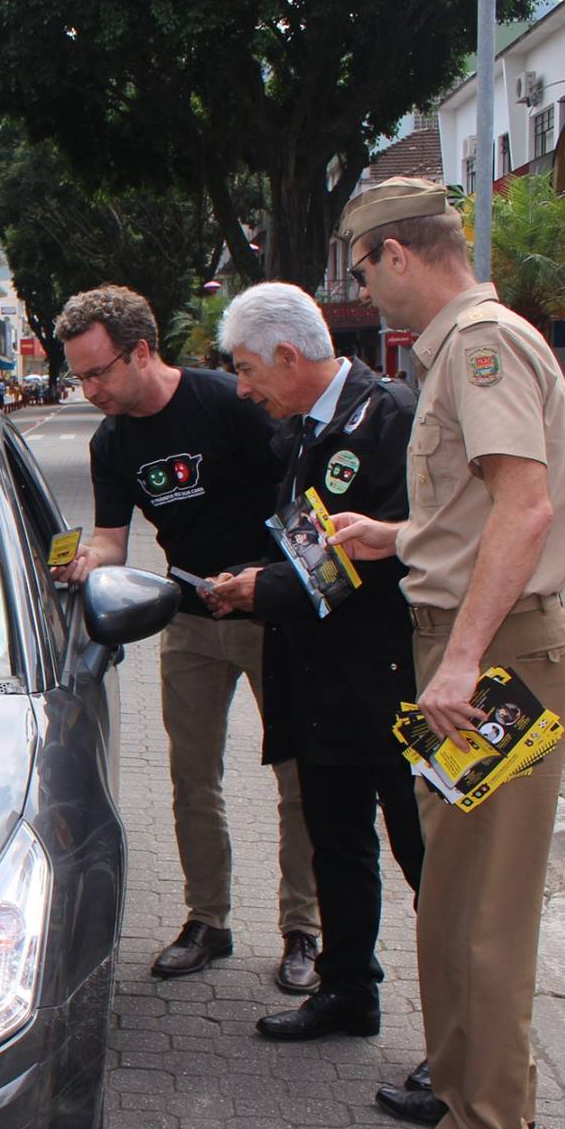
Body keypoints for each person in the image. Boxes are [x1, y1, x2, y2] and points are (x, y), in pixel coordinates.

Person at [327, 176, 565, 1129]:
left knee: (480, 913)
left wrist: (458, 657)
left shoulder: (477, 346)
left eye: (361, 269)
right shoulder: (467, 349)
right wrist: (399, 537)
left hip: (489, 663)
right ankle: (469, 1093)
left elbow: (523, 510)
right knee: (454, 905)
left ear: (395, 253)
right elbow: (482, 509)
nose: (364, 289)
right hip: (479, 654)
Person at [50, 285, 319, 991]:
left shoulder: (228, 403)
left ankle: (304, 929)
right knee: (192, 777)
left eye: (99, 371)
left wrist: (267, 579)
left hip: (271, 614)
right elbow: (112, 539)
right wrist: (88, 565)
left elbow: (298, 500)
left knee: (298, 776)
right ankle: (208, 919)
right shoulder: (111, 441)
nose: (90, 388)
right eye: (79, 375)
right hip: (191, 620)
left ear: (141, 351)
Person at [205, 282, 425, 1044]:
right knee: (336, 842)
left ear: (288, 355)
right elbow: (305, 538)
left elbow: (365, 560)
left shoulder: (389, 418)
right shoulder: (303, 427)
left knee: (429, 861)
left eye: (246, 368)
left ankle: (463, 1043)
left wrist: (257, 588)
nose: (242, 387)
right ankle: (348, 989)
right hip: (323, 680)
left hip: (394, 682)